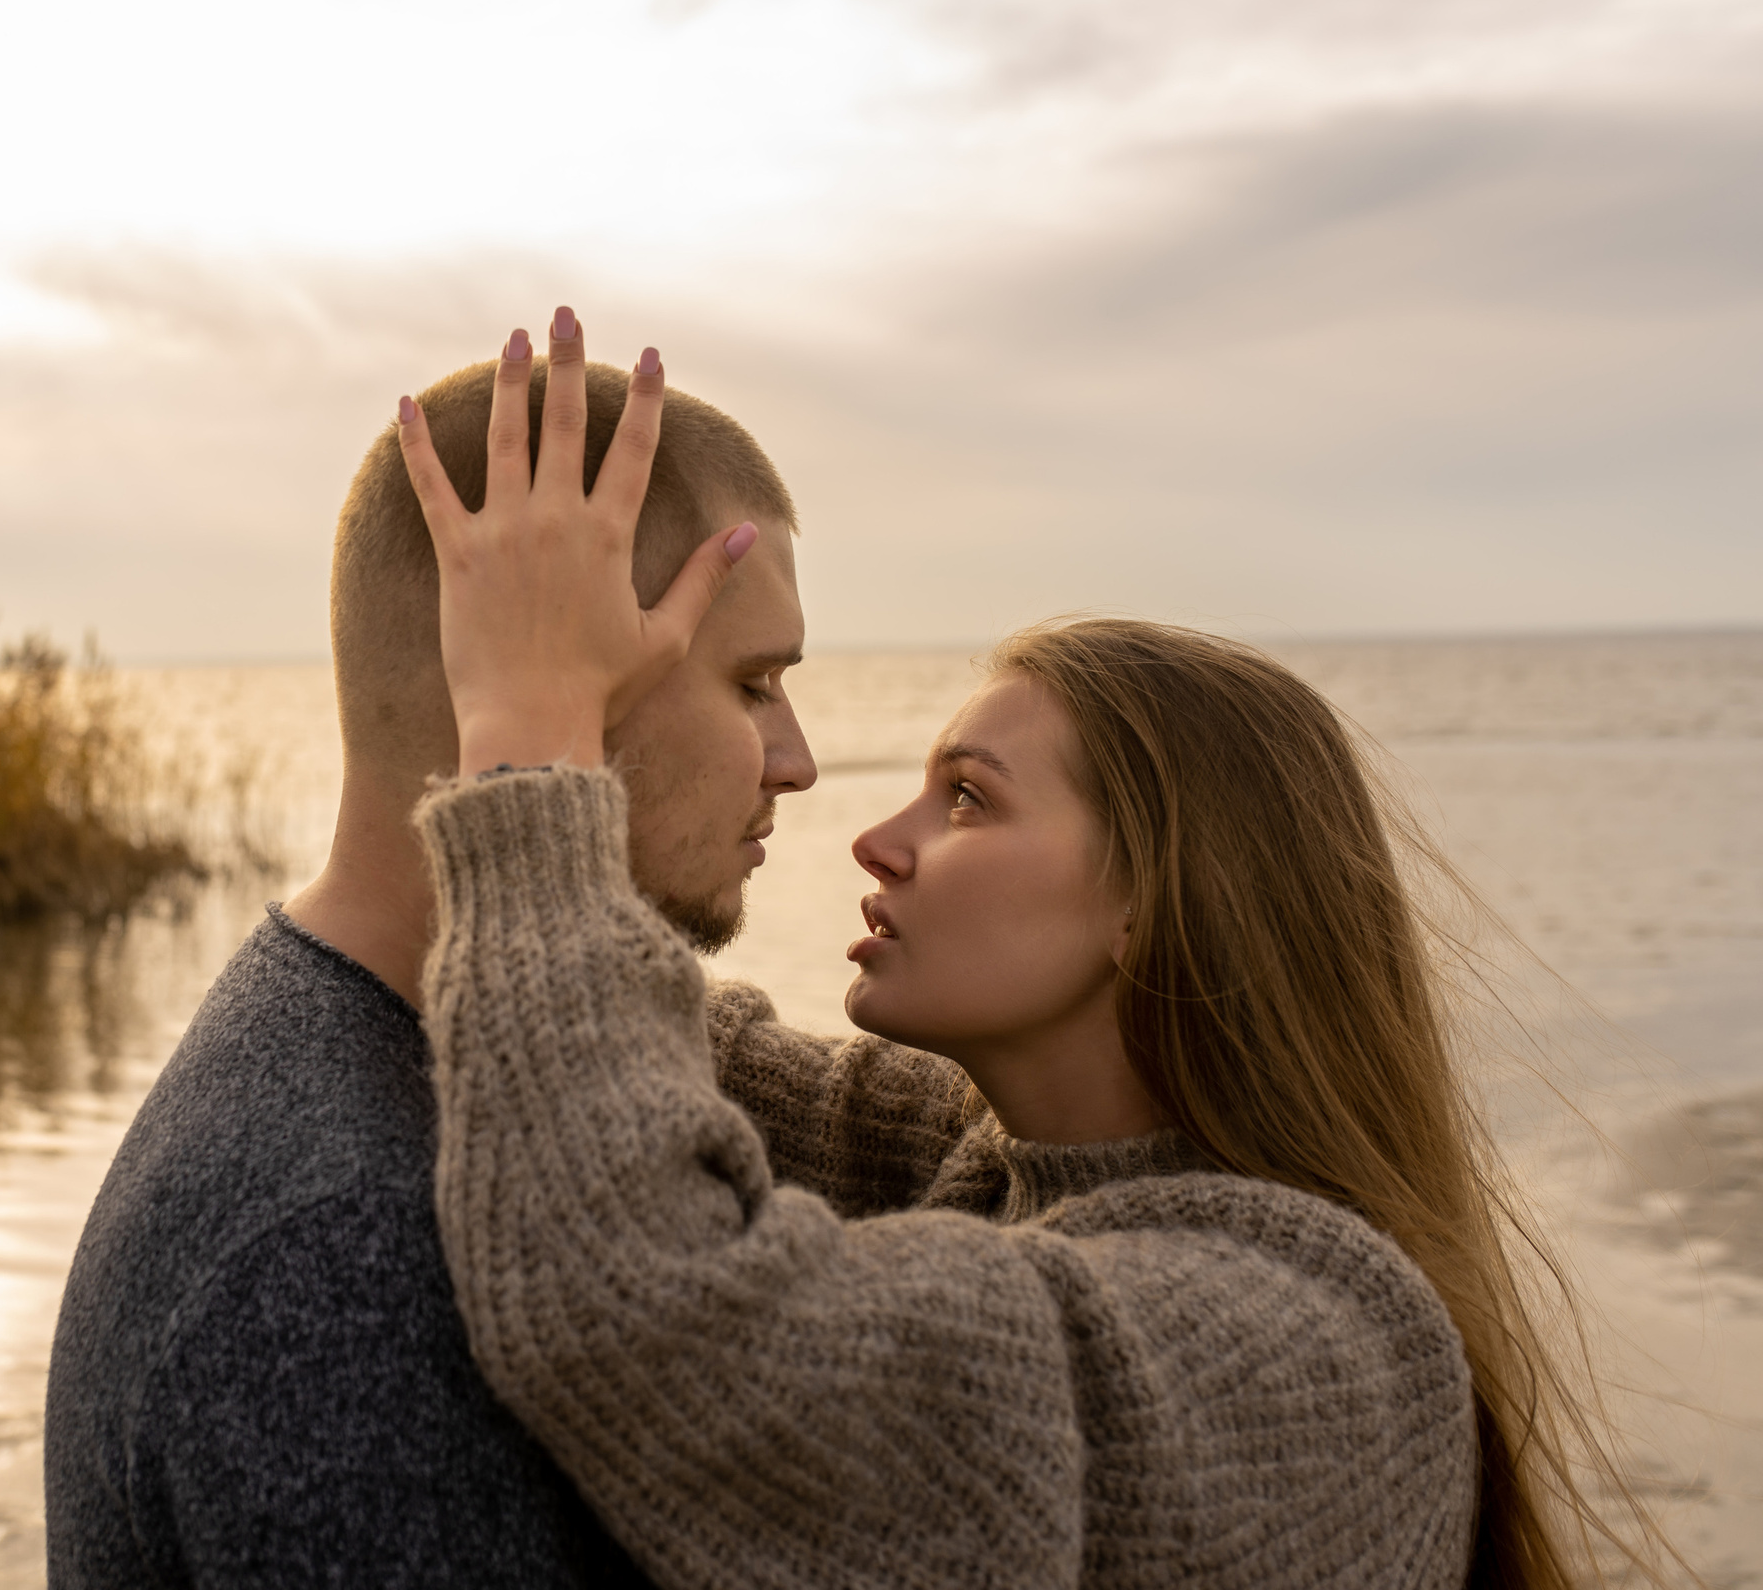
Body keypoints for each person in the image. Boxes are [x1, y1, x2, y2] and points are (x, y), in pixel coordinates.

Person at [397, 315, 1674, 1588]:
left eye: (965, 799)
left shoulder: (1304, 1349)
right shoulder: (997, 1163)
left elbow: (658, 1314)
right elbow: (680, 1062)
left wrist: (531, 740)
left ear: (1154, 901)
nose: (876, 843)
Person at [42, 309, 814, 1587]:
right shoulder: (354, 1258)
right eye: (752, 684)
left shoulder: (354, 1051)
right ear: (554, 680)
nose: (794, 758)